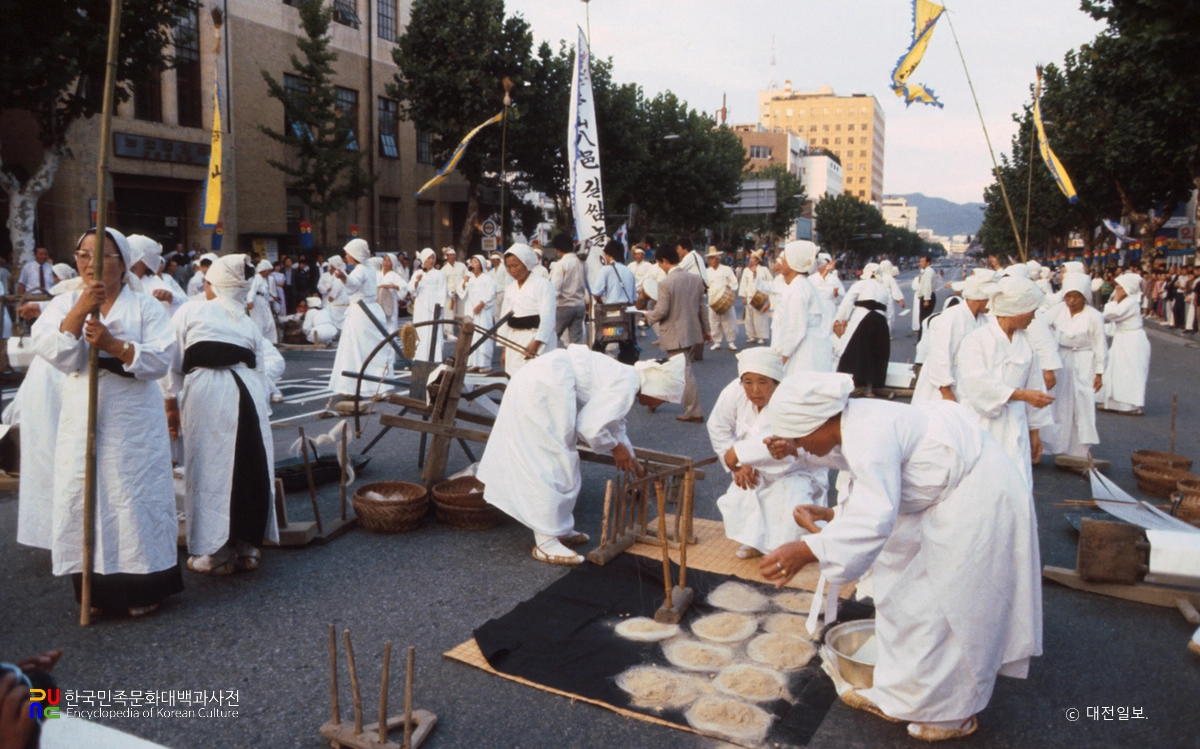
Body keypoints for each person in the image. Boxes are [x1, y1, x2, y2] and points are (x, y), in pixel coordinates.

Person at [758, 373, 1041, 742]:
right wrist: (831, 515)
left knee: (949, 609)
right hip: (945, 498)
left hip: (977, 502)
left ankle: (951, 713)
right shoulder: (855, 418)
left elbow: (873, 514)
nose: (801, 447)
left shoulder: (868, 435)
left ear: (819, 422)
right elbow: (861, 475)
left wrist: (805, 549)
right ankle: (910, 693)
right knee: (903, 596)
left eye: (799, 438)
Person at [31, 227, 182, 617]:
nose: (89, 263)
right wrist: (81, 308)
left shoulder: (146, 306)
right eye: (82, 255)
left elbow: (162, 358)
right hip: (83, 411)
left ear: (122, 261)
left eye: (101, 256)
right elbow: (53, 350)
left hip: (132, 417)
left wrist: (114, 346)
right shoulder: (63, 304)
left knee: (132, 497)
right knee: (87, 495)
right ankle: (95, 592)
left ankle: (144, 587)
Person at [477, 348, 685, 565]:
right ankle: (545, 541)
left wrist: (634, 463)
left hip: (548, 383)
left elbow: (614, 424)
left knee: (558, 458)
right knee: (551, 459)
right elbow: (590, 427)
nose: (659, 404)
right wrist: (615, 448)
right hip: (542, 387)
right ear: (657, 388)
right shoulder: (627, 384)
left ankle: (559, 528)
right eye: (664, 399)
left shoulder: (628, 379)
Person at [164, 255, 284, 574]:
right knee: (248, 465)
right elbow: (260, 367)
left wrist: (170, 402)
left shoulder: (191, 311)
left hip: (207, 392)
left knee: (210, 468)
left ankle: (215, 554)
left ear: (212, 285)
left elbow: (171, 362)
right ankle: (247, 548)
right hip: (247, 392)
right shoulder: (246, 322)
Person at [709, 348, 826, 559]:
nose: (755, 390)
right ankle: (755, 542)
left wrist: (745, 457)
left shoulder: (790, 400)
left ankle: (790, 550)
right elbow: (717, 426)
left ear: (776, 382)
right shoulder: (733, 392)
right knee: (744, 493)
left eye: (763, 382)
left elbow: (781, 442)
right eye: (748, 382)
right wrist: (737, 467)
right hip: (752, 467)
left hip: (795, 469)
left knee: (791, 506)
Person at [955, 276, 1056, 492]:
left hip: (1016, 423)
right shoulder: (977, 340)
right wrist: (1021, 395)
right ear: (1016, 309)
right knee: (982, 485)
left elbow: (1035, 385)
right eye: (1032, 311)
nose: (1034, 317)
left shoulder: (1027, 341)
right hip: (982, 424)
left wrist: (1035, 433)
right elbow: (976, 384)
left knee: (1017, 482)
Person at [1041, 272, 1106, 457]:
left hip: (1085, 360)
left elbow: (1100, 346)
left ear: (1085, 296)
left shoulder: (1094, 316)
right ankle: (1056, 446)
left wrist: (1099, 373)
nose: (1071, 301)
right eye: (1068, 296)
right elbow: (1041, 325)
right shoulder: (1058, 310)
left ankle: (1079, 450)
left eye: (1076, 296)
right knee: (1059, 401)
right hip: (1061, 358)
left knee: (1082, 402)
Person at [645, 241, 711, 422]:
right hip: (692, 331)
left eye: (659, 262)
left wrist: (647, 318)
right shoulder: (695, 280)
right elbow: (702, 308)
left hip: (675, 335)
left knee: (683, 372)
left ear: (665, 261)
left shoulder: (666, 283)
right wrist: (706, 330)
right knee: (674, 370)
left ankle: (694, 411)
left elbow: (662, 310)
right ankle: (655, 401)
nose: (659, 266)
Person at [911, 270, 997, 403]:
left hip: (965, 382)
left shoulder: (984, 320)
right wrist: (946, 391)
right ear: (980, 297)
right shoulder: (952, 317)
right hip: (942, 386)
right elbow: (940, 355)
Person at [327, 239, 392, 399]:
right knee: (370, 349)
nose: (346, 256)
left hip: (361, 313)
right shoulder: (368, 267)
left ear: (355, 254)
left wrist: (343, 277)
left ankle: (358, 387)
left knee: (357, 350)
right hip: (371, 310)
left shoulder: (360, 269)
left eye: (348, 253)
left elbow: (353, 285)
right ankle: (370, 387)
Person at [771, 240, 830, 376]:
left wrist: (780, 361)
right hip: (807, 348)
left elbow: (795, 329)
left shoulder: (798, 289)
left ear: (794, 262)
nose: (782, 262)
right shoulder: (799, 285)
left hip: (802, 353)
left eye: (785, 258)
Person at [497, 243, 557, 376]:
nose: (512, 270)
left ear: (526, 263)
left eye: (515, 265)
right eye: (509, 266)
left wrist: (536, 344)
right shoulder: (510, 288)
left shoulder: (543, 285)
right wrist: (505, 349)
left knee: (536, 378)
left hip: (535, 338)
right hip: (515, 339)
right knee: (514, 378)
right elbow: (505, 318)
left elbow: (548, 318)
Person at [1097, 273, 1151, 415]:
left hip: (1132, 342)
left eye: (1119, 287)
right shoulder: (1126, 301)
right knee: (1115, 370)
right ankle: (1114, 403)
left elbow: (1109, 314)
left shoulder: (1130, 302)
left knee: (1130, 372)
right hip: (1123, 339)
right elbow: (1115, 325)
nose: (1116, 289)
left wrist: (1115, 299)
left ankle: (1130, 406)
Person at [831, 273, 890, 390]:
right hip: (881, 320)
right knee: (876, 352)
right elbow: (890, 309)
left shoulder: (860, 284)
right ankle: (871, 386)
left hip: (863, 318)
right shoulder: (884, 288)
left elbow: (848, 301)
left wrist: (840, 318)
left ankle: (855, 383)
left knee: (856, 350)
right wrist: (887, 326)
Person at [591, 239, 639, 364]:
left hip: (610, 315)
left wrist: (601, 302)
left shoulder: (606, 269)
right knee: (627, 346)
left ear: (608, 254)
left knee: (600, 343)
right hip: (627, 314)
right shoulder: (629, 271)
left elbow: (596, 293)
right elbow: (634, 299)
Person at [407, 248, 448, 363]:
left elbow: (442, 291)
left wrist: (440, 307)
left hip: (434, 305)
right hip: (421, 307)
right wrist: (416, 281)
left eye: (433, 258)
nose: (431, 260)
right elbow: (411, 290)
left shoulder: (439, 274)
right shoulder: (417, 273)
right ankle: (420, 358)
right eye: (429, 258)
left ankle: (435, 358)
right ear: (423, 259)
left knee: (434, 330)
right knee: (421, 330)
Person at [458, 255, 497, 372]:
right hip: (471, 311)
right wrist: (464, 282)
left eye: (476, 262)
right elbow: (461, 292)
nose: (473, 264)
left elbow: (491, 293)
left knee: (483, 334)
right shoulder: (469, 278)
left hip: (483, 311)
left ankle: (485, 364)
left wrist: (482, 304)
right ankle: (474, 362)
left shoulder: (487, 278)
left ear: (481, 264)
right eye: (472, 262)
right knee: (472, 336)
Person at [549, 233, 587, 346]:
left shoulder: (560, 264)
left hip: (564, 306)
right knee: (576, 341)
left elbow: (555, 289)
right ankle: (577, 362)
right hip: (580, 305)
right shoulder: (583, 263)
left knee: (552, 336)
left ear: (557, 249)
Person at [705, 247, 740, 351]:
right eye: (710, 258)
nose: (711, 260)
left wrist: (730, 288)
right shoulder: (707, 272)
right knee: (714, 320)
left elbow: (734, 282)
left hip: (725, 299)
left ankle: (731, 341)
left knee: (729, 320)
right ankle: (717, 341)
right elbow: (704, 285)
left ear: (718, 259)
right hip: (713, 299)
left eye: (713, 258)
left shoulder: (726, 269)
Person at [739, 251, 773, 345]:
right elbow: (743, 284)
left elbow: (770, 282)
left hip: (760, 296)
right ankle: (751, 335)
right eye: (751, 258)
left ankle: (761, 336)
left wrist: (767, 296)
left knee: (760, 317)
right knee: (749, 317)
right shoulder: (746, 270)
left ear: (757, 260)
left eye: (753, 258)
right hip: (749, 295)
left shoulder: (764, 270)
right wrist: (743, 296)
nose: (751, 260)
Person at [248, 259, 279, 344]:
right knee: (259, 323)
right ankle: (259, 343)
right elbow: (252, 291)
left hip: (264, 302)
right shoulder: (256, 278)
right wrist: (250, 301)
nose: (268, 273)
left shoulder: (264, 280)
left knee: (269, 324)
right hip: (256, 301)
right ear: (263, 270)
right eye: (268, 271)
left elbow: (265, 293)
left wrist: (270, 300)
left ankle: (271, 343)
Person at [377, 253, 408, 333]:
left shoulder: (394, 275)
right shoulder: (377, 274)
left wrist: (392, 286)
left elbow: (404, 287)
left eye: (389, 261)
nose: (386, 263)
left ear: (393, 263)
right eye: (385, 260)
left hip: (390, 304)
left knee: (390, 327)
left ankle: (391, 344)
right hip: (378, 304)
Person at [319, 256, 351, 329]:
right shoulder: (343, 271)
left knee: (337, 317)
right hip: (343, 297)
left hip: (339, 298)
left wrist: (332, 297)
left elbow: (337, 286)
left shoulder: (338, 272)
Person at [877, 260, 907, 333]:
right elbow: (895, 289)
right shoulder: (889, 277)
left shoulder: (877, 276)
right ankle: (887, 333)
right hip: (887, 298)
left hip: (876, 297)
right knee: (889, 315)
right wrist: (900, 300)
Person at [915, 255, 936, 341]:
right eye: (920, 261)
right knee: (923, 319)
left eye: (923, 261)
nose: (921, 263)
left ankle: (922, 340)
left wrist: (927, 300)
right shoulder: (926, 271)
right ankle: (922, 339)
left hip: (927, 297)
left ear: (928, 263)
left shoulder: (928, 272)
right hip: (926, 297)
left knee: (924, 320)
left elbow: (927, 287)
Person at [441, 248, 466, 317]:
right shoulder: (444, 269)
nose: (452, 257)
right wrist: (448, 292)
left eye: (453, 255)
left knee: (462, 312)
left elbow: (466, 277)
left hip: (461, 293)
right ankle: (448, 328)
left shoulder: (462, 266)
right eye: (450, 255)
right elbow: (443, 283)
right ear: (447, 256)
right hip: (450, 294)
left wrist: (464, 286)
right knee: (450, 312)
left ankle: (462, 327)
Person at [489, 250, 510, 317]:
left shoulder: (503, 268)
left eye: (495, 260)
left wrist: (507, 291)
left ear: (498, 260)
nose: (493, 262)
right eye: (492, 261)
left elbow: (508, 279)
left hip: (503, 292)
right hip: (496, 293)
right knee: (496, 312)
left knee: (504, 310)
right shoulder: (492, 271)